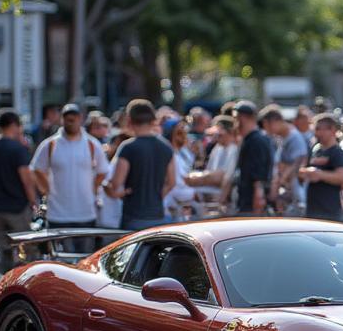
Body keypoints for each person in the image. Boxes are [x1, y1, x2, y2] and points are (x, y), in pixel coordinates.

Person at [31, 102, 109, 233]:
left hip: (85, 213)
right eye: (67, 118)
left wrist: (93, 189)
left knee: (86, 253)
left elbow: (103, 170)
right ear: (62, 119)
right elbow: (37, 168)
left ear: (81, 119)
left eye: (74, 117)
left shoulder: (92, 144)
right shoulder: (50, 144)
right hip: (57, 215)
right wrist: (46, 189)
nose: (71, 121)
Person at [108, 99, 176, 230]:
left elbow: (116, 184)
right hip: (158, 215)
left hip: (133, 216)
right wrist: (156, 196)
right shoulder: (166, 147)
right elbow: (172, 182)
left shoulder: (128, 147)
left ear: (129, 120)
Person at [0, 109, 37, 270]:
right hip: (18, 208)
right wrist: (34, 201)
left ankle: (5, 284)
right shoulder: (18, 149)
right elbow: (26, 179)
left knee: (4, 252)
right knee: (26, 250)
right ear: (14, 125)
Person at [300, 113, 343, 221]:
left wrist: (319, 175)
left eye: (319, 129)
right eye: (315, 129)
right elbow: (303, 169)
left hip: (330, 212)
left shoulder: (338, 153)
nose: (316, 133)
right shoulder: (315, 150)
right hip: (312, 211)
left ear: (332, 130)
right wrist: (305, 173)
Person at [260, 104, 309, 214]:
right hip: (287, 194)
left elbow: (298, 162)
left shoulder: (294, 138)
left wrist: (279, 183)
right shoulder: (280, 138)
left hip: (297, 196)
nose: (268, 131)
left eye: (268, 127)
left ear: (275, 122)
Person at [231, 101, 273, 216]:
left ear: (243, 118)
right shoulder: (249, 139)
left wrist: (258, 197)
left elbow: (259, 174)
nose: (236, 123)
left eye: (237, 118)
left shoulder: (257, 140)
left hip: (252, 203)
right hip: (245, 199)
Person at [185, 115, 238, 203]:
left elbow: (223, 177)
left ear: (230, 132)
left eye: (220, 134)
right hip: (210, 191)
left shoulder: (235, 149)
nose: (216, 137)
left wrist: (198, 178)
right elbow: (210, 171)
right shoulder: (217, 148)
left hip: (226, 196)